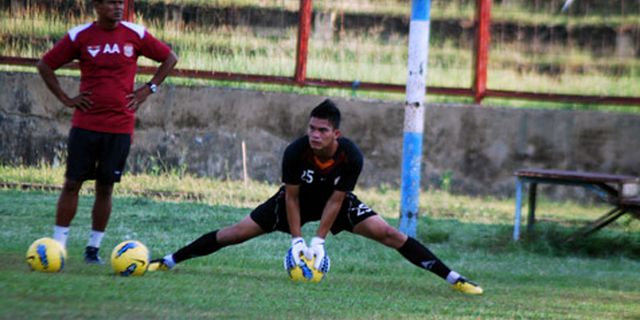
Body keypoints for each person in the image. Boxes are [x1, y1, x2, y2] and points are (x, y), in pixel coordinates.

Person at [148, 99, 483, 295]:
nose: (315, 135)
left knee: (390, 234)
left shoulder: (351, 157)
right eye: (311, 128)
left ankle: (454, 279)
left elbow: (337, 201)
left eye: (322, 130)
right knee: (234, 233)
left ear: (336, 133)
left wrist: (318, 241)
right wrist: (297, 240)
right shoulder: (296, 152)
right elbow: (291, 198)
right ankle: (169, 260)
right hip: (297, 201)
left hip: (332, 204)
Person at [37, 0, 178, 264]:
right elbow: (45, 65)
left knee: (106, 187)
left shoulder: (135, 34)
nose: (118, 7)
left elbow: (169, 57)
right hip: (85, 126)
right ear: (97, 5)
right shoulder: (80, 36)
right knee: (72, 184)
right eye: (111, 3)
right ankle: (58, 247)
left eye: (120, 2)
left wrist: (149, 89)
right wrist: (66, 99)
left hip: (120, 128)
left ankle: (93, 249)